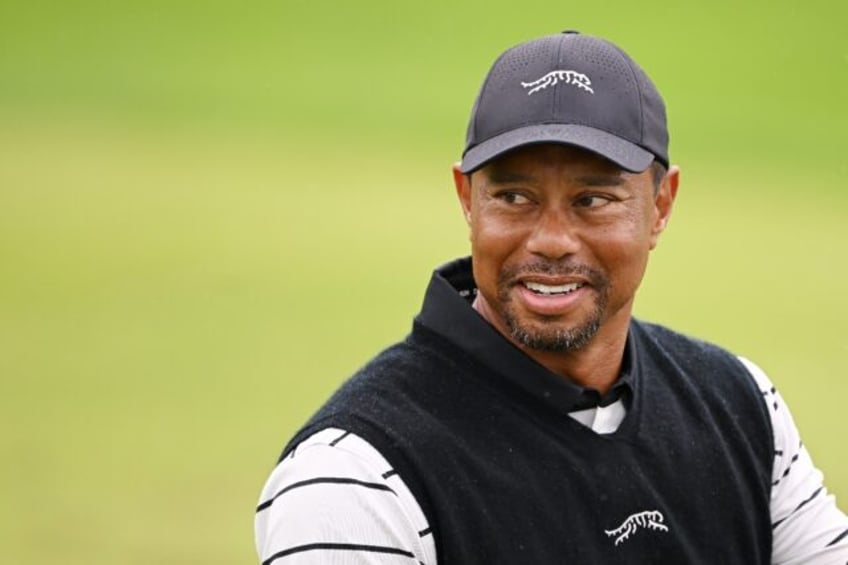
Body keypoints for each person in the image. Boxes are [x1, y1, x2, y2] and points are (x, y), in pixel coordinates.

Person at [255, 30, 848, 564]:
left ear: (661, 206)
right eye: (514, 197)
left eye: (593, 200)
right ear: (467, 198)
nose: (552, 241)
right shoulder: (353, 478)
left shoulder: (741, 406)